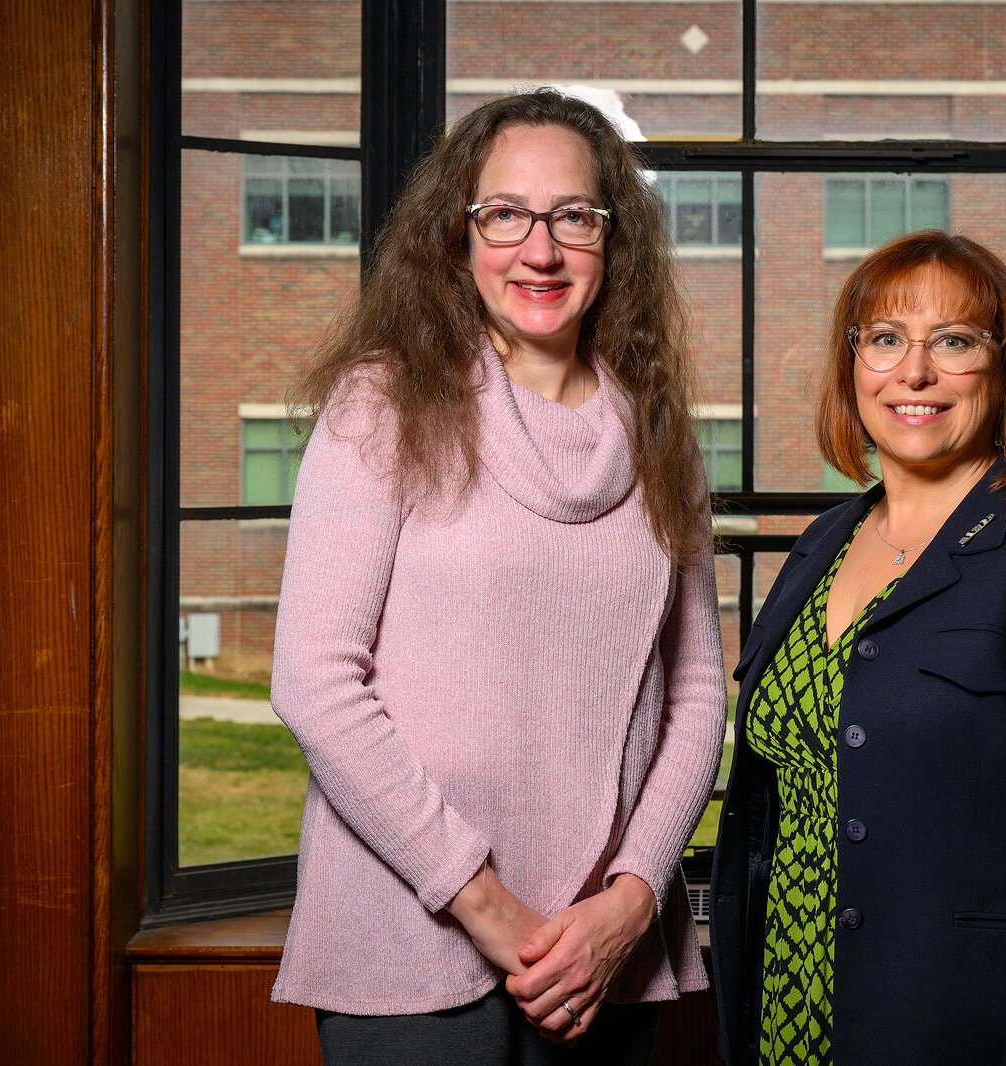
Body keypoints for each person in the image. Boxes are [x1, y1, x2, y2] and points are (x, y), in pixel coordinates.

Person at [268, 88, 726, 1066]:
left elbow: (692, 698)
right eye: (504, 214)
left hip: (603, 954)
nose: (541, 249)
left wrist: (632, 899)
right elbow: (314, 683)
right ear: (456, 236)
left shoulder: (659, 435)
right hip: (411, 942)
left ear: (615, 240)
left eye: (574, 216)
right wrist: (487, 905)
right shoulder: (382, 407)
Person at [710, 230, 1006, 1065]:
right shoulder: (819, 546)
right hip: (787, 1014)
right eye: (884, 340)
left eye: (953, 341)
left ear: (1005, 366)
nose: (913, 374)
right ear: (855, 367)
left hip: (960, 1028)